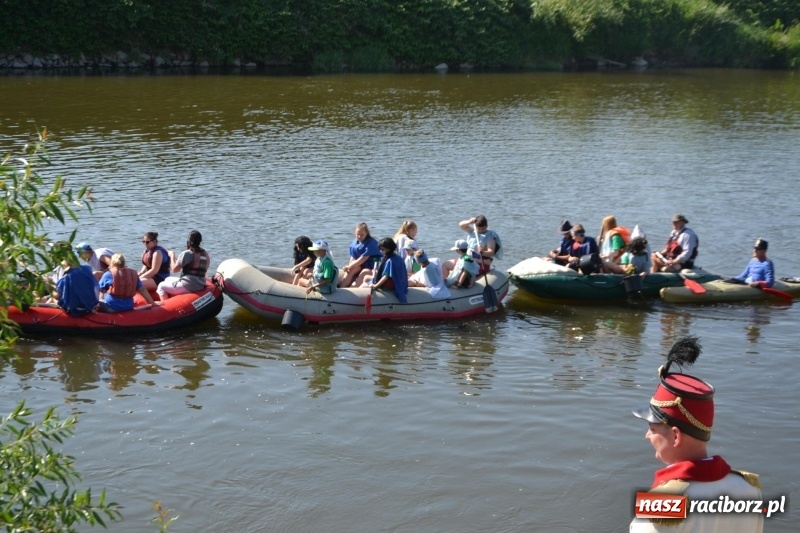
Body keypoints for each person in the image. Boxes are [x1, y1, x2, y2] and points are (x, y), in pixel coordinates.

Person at [630, 336, 763, 532]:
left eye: (652, 429)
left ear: (676, 436)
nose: (647, 436)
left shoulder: (662, 503)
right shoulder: (749, 489)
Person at [156, 230, 211, 301]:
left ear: (189, 240)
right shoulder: (205, 254)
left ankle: (165, 307)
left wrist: (172, 256)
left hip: (188, 285)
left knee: (161, 286)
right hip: (200, 284)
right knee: (167, 279)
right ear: (200, 241)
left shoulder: (187, 253)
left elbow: (175, 270)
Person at [362, 237, 408, 303]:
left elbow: (385, 277)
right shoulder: (398, 258)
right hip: (398, 283)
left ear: (388, 249)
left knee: (364, 285)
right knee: (366, 277)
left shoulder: (390, 261)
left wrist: (375, 286)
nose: (381, 251)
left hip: (391, 286)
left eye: (382, 249)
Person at [340, 222, 381, 288]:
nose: (359, 236)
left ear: (366, 233)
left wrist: (350, 265)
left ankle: (351, 289)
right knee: (351, 270)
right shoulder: (355, 242)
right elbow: (353, 256)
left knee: (364, 272)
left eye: (362, 235)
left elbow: (363, 258)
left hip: (371, 265)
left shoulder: (371, 243)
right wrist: (349, 267)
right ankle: (341, 288)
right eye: (358, 234)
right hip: (360, 264)